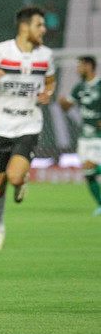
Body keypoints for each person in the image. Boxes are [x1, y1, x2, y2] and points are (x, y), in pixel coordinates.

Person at [0, 5, 55, 250]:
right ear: (24, 26)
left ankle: (20, 180)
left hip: (29, 123)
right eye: (39, 24)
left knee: (14, 176)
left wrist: (48, 93)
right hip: (2, 126)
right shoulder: (0, 51)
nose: (44, 29)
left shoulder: (46, 56)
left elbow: (50, 81)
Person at [58, 56, 101, 216]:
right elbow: (67, 107)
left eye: (80, 66)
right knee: (88, 173)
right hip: (85, 135)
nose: (77, 69)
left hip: (98, 135)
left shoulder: (100, 85)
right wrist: (62, 102)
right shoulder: (79, 88)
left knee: (90, 166)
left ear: (89, 66)